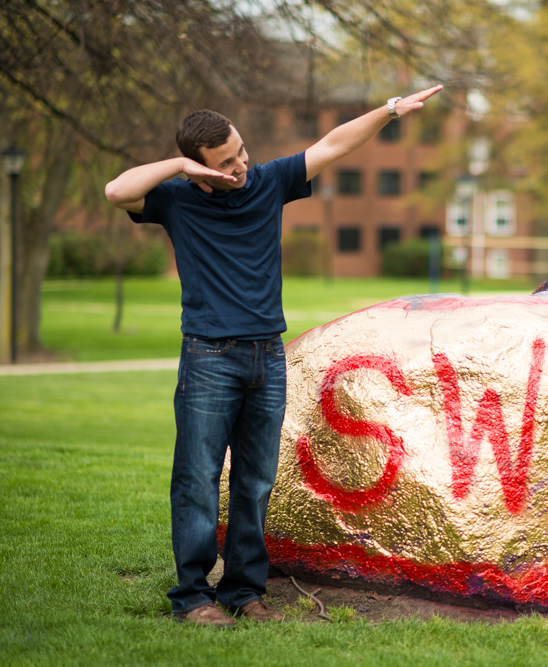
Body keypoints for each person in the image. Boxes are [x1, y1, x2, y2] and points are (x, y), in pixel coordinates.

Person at [105, 85, 443, 627]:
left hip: (268, 355)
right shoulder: (176, 199)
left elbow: (333, 146)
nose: (241, 164)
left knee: (256, 480)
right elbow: (115, 191)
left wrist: (390, 110)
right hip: (210, 358)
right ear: (200, 165)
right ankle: (192, 596)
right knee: (196, 479)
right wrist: (180, 168)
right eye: (227, 161)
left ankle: (243, 590)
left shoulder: (267, 183)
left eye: (241, 151)